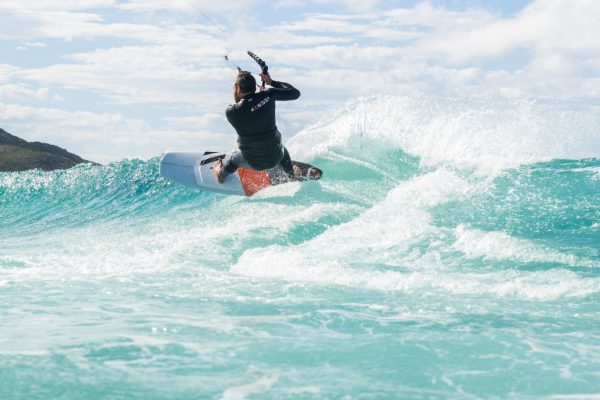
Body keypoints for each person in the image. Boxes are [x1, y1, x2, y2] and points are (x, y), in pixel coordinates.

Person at [213, 70, 301, 183]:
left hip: (254, 163)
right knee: (282, 149)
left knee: (233, 161)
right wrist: (271, 82)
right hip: (276, 157)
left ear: (238, 88)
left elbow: (249, 110)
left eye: (234, 88)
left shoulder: (231, 112)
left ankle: (220, 174)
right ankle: (291, 175)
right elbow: (295, 93)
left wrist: (260, 98)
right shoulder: (269, 94)